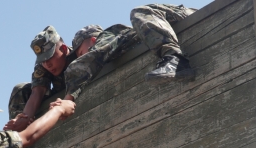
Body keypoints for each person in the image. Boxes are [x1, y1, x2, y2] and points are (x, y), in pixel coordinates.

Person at [65, 4, 196, 101]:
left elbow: (90, 59)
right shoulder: (112, 54)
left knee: (138, 12)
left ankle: (175, 59)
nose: (82, 56)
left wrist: (68, 98)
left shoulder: (108, 35)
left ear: (94, 40)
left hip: (183, 16)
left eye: (81, 52)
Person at [0, 26, 77, 148]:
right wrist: (23, 118)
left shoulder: (79, 57)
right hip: (56, 99)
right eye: (43, 60)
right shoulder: (43, 65)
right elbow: (37, 92)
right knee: (21, 88)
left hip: (73, 96)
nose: (47, 64)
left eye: (50, 57)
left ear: (63, 48)